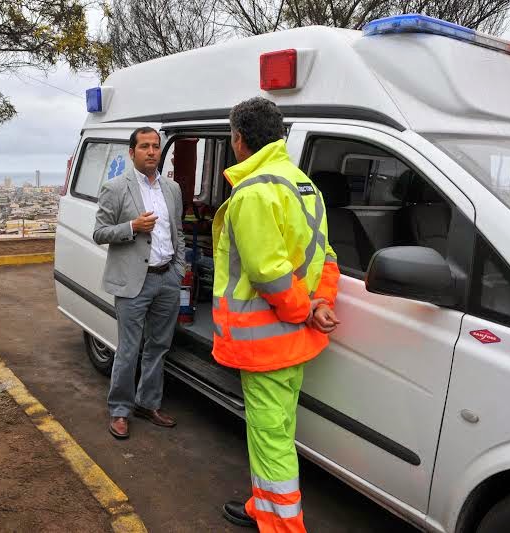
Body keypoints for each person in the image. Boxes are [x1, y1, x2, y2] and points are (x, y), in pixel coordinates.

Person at [213, 97, 340, 532]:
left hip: (266, 344)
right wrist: (320, 305)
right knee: (277, 431)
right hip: (294, 344)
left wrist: (304, 310)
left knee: (269, 439)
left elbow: (268, 274)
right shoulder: (304, 185)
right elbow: (328, 259)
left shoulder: (253, 193)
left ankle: (282, 525)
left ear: (239, 139)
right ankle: (262, 505)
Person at [93, 126, 186, 439]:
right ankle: (120, 411)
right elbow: (100, 232)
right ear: (131, 153)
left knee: (158, 347)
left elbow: (178, 232)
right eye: (144, 146)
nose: (151, 152)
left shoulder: (172, 189)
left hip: (167, 279)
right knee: (129, 349)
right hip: (134, 283)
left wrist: (179, 268)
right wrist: (132, 226)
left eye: (156, 146)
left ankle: (148, 403)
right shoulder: (116, 187)